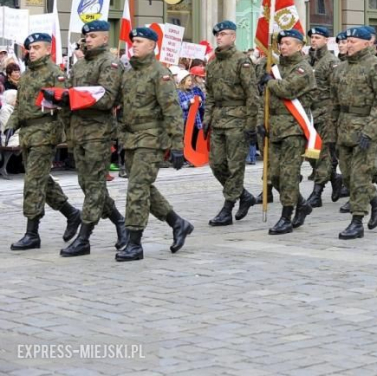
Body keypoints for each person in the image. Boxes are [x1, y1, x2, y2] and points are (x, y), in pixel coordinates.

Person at [114, 28, 193, 261]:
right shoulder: (128, 73)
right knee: (143, 186)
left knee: (137, 188)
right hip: (131, 139)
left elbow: (172, 111)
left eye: (139, 41)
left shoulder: (160, 73)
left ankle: (134, 243)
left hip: (151, 140)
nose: (134, 45)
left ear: (152, 45)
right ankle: (178, 223)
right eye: (133, 42)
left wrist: (177, 145)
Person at [58, 21, 129, 257]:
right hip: (79, 131)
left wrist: (75, 97)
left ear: (105, 39)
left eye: (93, 36)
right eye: (85, 36)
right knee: (87, 184)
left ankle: (85, 237)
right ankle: (120, 222)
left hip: (98, 132)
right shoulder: (79, 65)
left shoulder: (110, 64)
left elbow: (107, 99)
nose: (87, 39)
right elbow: (68, 94)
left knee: (95, 184)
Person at [8, 34, 81, 251]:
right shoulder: (28, 74)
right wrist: (11, 124)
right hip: (28, 133)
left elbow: (64, 104)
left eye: (37, 47)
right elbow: (20, 105)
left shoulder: (55, 74)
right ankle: (72, 213)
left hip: (45, 132)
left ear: (48, 50)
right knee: (41, 180)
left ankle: (32, 233)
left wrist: (69, 135)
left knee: (33, 181)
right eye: (30, 47)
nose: (32, 51)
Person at [331, 26, 377, 239]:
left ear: (367, 43)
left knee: (359, 177)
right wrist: (331, 132)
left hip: (366, 130)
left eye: (353, 42)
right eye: (346, 42)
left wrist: (370, 131)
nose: (347, 45)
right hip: (345, 129)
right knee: (347, 177)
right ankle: (376, 201)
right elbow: (334, 102)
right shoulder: (340, 68)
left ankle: (357, 221)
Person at [257, 29, 317, 234]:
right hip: (275, 128)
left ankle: (286, 215)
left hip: (293, 128)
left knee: (289, 174)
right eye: (281, 43)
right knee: (274, 175)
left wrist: (270, 82)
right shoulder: (275, 68)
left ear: (300, 46)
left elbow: (287, 90)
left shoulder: (303, 70)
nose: (282, 46)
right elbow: (264, 101)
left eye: (288, 43)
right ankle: (301, 204)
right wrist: (261, 122)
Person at [203, 21, 260, 226]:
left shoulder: (241, 61)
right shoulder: (213, 62)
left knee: (235, 166)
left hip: (238, 118)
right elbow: (209, 94)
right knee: (217, 164)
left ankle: (227, 208)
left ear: (233, 37)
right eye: (217, 34)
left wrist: (251, 125)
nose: (219, 37)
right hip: (219, 118)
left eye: (224, 34)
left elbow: (252, 95)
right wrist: (207, 119)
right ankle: (244, 195)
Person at [304, 26, 343, 208]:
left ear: (326, 40)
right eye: (312, 37)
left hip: (326, 113)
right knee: (311, 154)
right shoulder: (307, 60)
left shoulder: (331, 62)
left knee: (323, 153)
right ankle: (335, 178)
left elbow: (337, 91)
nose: (314, 40)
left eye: (318, 37)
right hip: (310, 114)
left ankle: (317, 192)